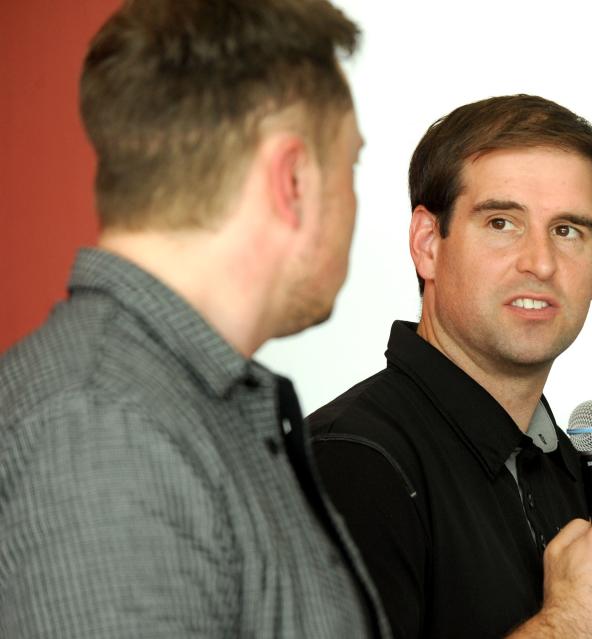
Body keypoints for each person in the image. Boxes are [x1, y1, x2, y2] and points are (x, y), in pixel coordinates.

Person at [0, 1, 390, 636]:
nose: (353, 199)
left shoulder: (179, 405)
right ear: (291, 180)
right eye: (351, 165)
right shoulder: (105, 433)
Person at [306, 94, 592, 638]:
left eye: (567, 230)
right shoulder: (352, 461)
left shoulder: (572, 469)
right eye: (501, 222)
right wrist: (573, 627)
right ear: (427, 244)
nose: (540, 263)